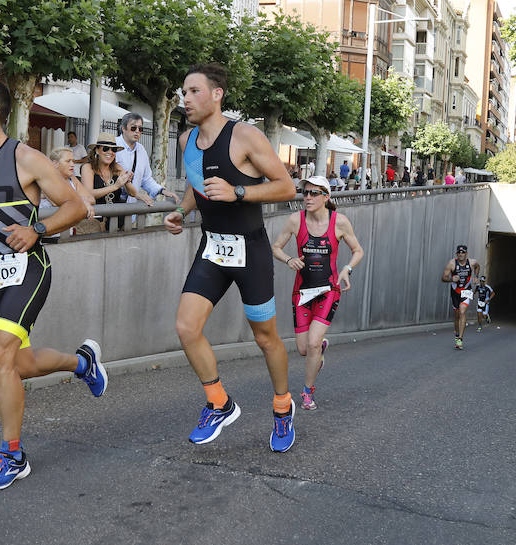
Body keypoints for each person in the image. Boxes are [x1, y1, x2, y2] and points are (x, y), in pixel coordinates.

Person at [0, 78, 104, 492]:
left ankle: (12, 455)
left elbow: (76, 206)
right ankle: (83, 363)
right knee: (19, 364)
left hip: (29, 269)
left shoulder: (27, 158)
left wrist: (38, 229)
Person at [163, 63, 297, 452]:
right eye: (183, 92)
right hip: (212, 247)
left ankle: (283, 408)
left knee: (265, 337)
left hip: (250, 250)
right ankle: (219, 403)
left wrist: (239, 192)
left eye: (193, 92)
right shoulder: (187, 139)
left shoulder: (244, 136)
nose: (185, 99)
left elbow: (285, 186)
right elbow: (197, 183)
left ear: (216, 94)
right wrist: (183, 211)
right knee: (187, 328)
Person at [271, 176, 364, 410]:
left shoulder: (339, 222)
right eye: (305, 193)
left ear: (326, 197)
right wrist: (289, 259)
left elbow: (358, 251)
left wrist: (347, 269)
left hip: (328, 290)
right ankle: (319, 349)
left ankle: (307, 393)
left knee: (312, 343)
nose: (308, 197)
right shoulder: (295, 220)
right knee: (304, 349)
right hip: (301, 291)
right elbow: (275, 247)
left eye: (314, 193)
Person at [115, 113, 179, 206]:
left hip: (130, 208)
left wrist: (162, 191)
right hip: (110, 205)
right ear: (123, 128)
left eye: (140, 129)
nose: (137, 131)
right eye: (133, 128)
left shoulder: (141, 150)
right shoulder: (112, 146)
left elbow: (146, 179)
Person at [80, 133, 138, 230]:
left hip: (116, 223)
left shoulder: (117, 168)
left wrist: (127, 180)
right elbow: (88, 193)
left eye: (113, 149)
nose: (110, 152)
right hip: (93, 223)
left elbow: (133, 193)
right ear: (97, 150)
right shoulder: (88, 167)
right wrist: (115, 186)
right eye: (106, 148)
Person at [41, 147, 97, 239]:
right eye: (68, 161)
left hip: (67, 232)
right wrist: (83, 201)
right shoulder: (45, 178)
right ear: (55, 163)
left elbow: (91, 199)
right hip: (47, 234)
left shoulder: (72, 178)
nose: (72, 164)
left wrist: (83, 200)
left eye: (73, 161)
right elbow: (57, 201)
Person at [441, 244, 480, 350]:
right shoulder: (451, 263)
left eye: (463, 252)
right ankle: (457, 334)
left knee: (462, 312)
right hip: (455, 291)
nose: (461, 254)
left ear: (466, 254)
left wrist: (476, 277)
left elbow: (477, 266)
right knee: (457, 314)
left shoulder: (472, 262)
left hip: (466, 290)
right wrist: (451, 279)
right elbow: (443, 278)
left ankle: (460, 339)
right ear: (456, 254)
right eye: (459, 252)